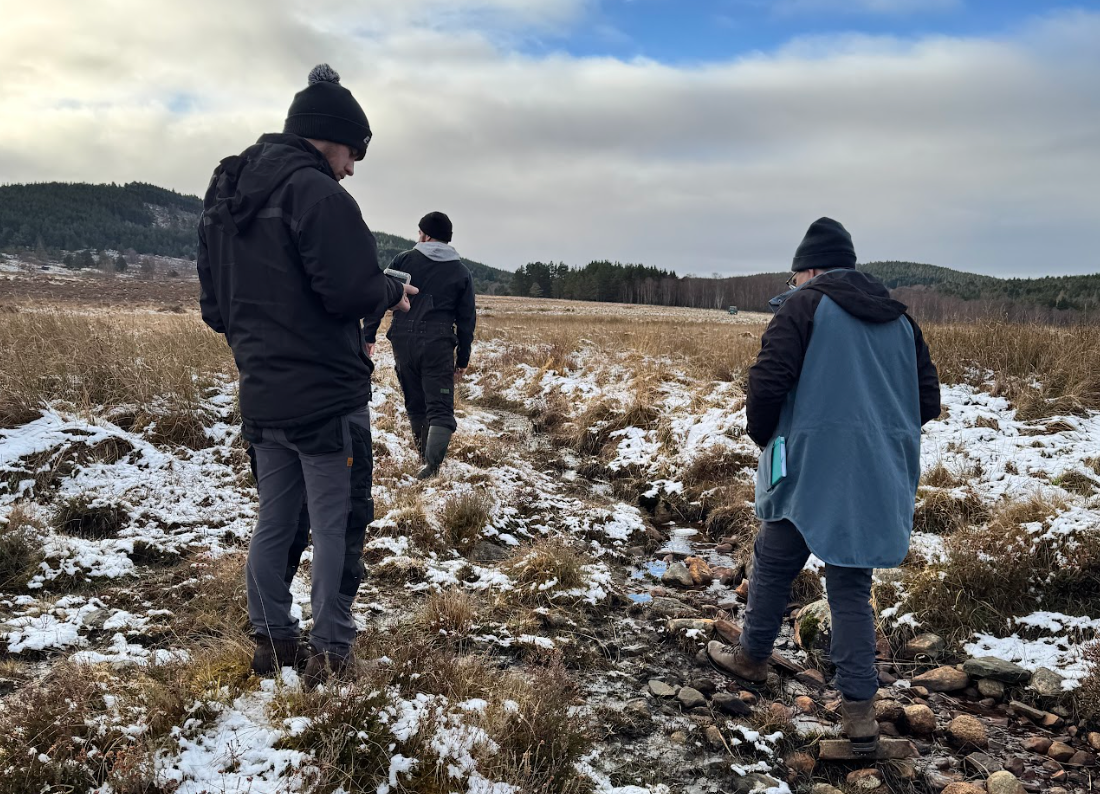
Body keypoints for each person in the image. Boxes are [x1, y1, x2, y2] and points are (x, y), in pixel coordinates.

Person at [197, 64, 416, 686]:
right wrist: (389, 293)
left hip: (262, 396)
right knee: (338, 525)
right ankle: (331, 656)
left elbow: (216, 310)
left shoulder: (225, 195)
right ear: (333, 138)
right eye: (355, 153)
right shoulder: (319, 194)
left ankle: (271, 643)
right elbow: (347, 290)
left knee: (275, 522)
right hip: (326, 398)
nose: (353, 168)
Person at [706, 217, 941, 754]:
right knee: (851, 585)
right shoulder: (902, 320)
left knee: (773, 556)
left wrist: (768, 437)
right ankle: (859, 717)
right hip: (879, 468)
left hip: (809, 461)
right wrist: (877, 435)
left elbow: (767, 383)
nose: (793, 283)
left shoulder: (803, 304)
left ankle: (752, 658)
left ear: (810, 269)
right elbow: (927, 401)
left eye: (795, 274)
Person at [364, 212, 476, 479]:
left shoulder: (403, 260)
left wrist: (368, 335)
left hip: (402, 340)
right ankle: (432, 467)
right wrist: (462, 359)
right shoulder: (461, 272)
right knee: (440, 408)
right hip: (438, 344)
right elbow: (467, 320)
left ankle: (422, 458)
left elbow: (379, 294)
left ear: (425, 235)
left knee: (416, 404)